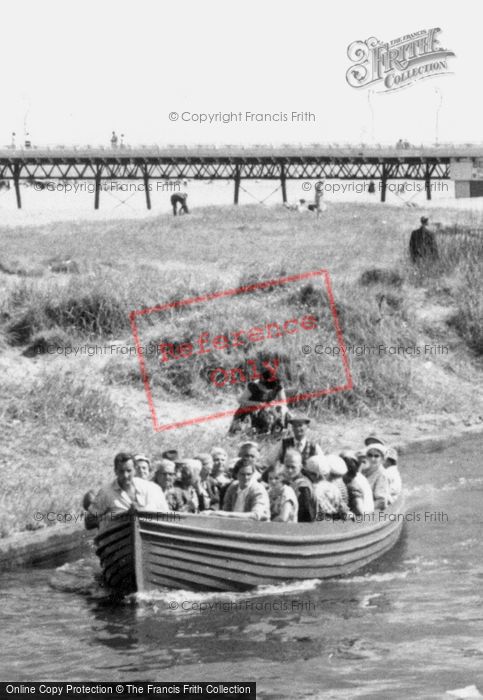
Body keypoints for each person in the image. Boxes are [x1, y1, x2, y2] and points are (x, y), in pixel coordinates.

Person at [85, 452, 169, 530]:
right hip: (118, 537)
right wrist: (107, 519)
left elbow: (168, 518)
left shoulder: (152, 488)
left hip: (150, 535)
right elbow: (88, 522)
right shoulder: (106, 493)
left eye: (129, 471)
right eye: (121, 471)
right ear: (115, 471)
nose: (125, 475)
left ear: (135, 470)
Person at [229, 364, 288, 435]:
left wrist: (274, 406)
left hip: (265, 412)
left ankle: (275, 432)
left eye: (268, 389)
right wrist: (256, 404)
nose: (266, 391)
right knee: (235, 434)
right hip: (247, 411)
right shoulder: (254, 385)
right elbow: (241, 400)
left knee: (282, 412)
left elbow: (283, 402)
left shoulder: (278, 385)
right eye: (264, 388)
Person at [303, 455, 346, 519]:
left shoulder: (311, 491)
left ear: (313, 475)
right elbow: (343, 510)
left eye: (307, 473)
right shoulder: (334, 488)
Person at [283, 448, 315, 522]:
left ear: (300, 467)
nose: (289, 470)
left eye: (293, 467)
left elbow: (306, 516)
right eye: (287, 466)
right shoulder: (285, 480)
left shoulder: (303, 487)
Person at [340, 450, 374, 515]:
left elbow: (360, 511)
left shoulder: (352, 484)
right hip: (368, 511)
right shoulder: (358, 476)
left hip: (364, 515)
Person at [362, 444, 390, 510]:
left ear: (382, 459)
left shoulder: (382, 474)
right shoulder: (362, 469)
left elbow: (381, 501)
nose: (372, 459)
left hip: (371, 507)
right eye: (370, 455)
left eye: (376, 456)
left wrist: (364, 511)